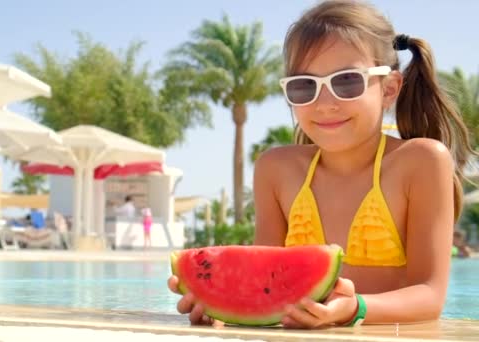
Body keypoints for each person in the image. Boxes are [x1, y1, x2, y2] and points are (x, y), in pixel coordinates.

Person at [168, 0, 471, 328]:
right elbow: (261, 285)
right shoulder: (276, 170)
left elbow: (430, 295)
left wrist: (356, 309)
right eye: (304, 86)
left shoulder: (421, 162)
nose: (325, 104)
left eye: (346, 82)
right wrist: (222, 307)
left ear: (389, 89)